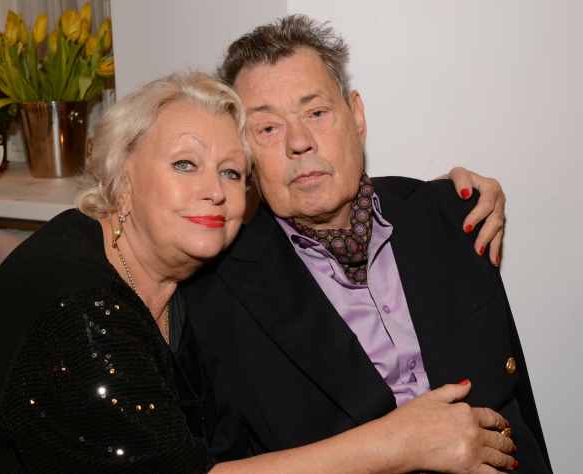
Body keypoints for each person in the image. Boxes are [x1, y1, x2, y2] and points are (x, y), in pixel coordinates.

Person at [0, 72, 512, 473]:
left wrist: (440, 201)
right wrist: (398, 443)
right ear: (122, 177)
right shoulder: (82, 313)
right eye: (185, 164)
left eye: (231, 172)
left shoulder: (164, 263)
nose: (214, 191)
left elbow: (321, 199)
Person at [183, 15, 552, 473]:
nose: (299, 142)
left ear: (355, 115)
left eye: (316, 113)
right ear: (244, 152)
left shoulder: (454, 215)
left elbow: (519, 408)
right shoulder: (216, 293)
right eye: (268, 128)